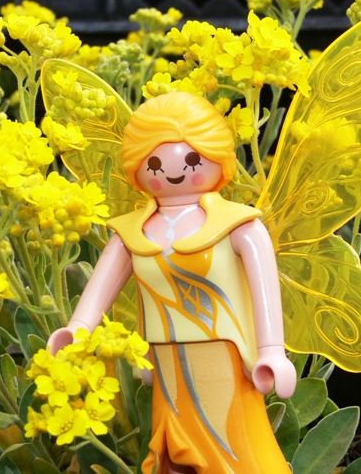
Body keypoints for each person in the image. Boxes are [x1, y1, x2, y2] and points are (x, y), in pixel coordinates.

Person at [47, 91, 296, 474]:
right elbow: (101, 286)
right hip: (164, 356)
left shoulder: (240, 225)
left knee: (234, 439)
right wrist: (77, 329)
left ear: (218, 158)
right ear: (137, 167)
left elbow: (265, 291)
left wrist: (272, 352)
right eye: (154, 163)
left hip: (222, 353)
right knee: (173, 443)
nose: (172, 172)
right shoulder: (133, 232)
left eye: (193, 160)